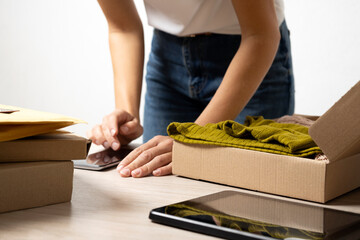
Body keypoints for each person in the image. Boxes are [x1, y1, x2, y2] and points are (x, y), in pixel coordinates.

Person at [87, 0, 294, 178]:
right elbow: (123, 27)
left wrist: (191, 138)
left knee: (249, 206)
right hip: (168, 55)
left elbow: (260, 34)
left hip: (251, 51)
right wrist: (127, 118)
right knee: (156, 190)